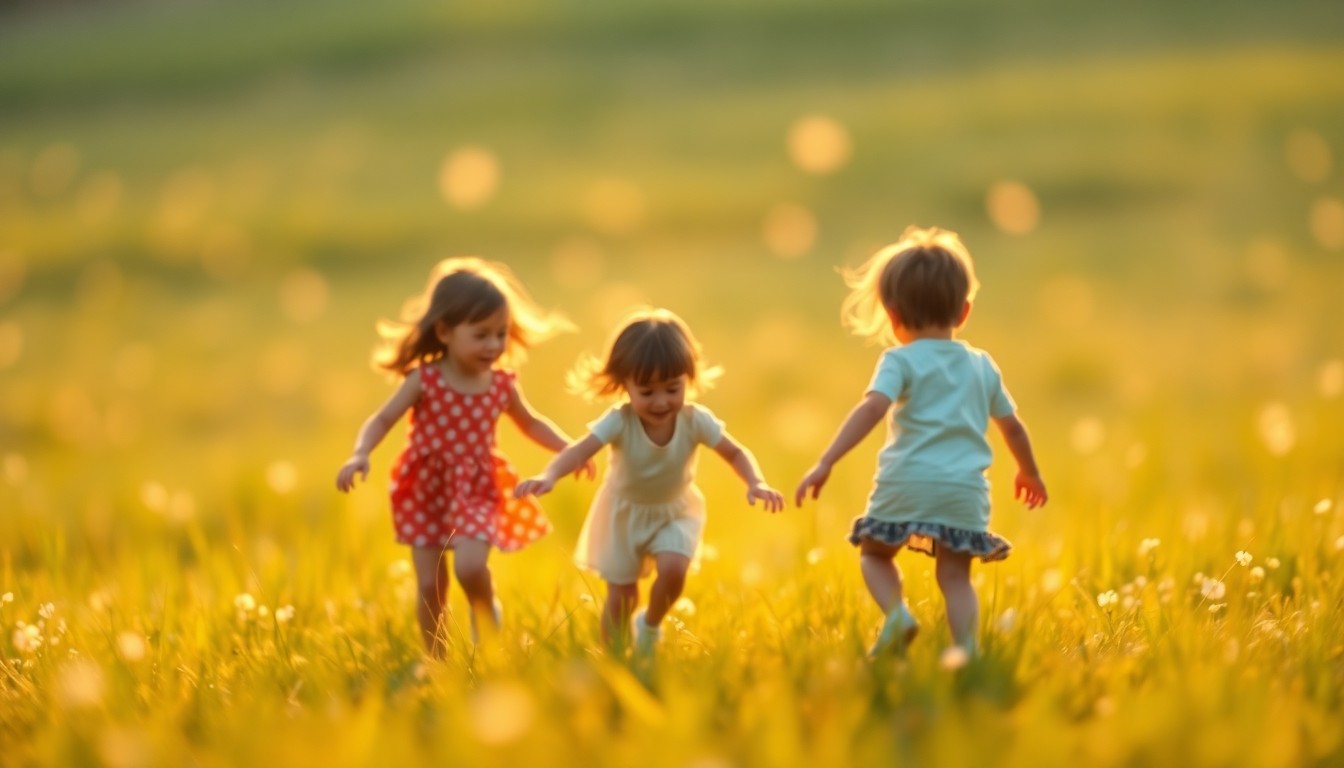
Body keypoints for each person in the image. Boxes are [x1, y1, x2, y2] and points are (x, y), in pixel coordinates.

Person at [794, 226, 1047, 658]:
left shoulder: (899, 360)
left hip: (905, 482)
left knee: (874, 554)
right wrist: (1029, 471)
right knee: (955, 577)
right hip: (964, 491)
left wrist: (826, 460)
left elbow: (871, 410)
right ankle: (966, 650)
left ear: (892, 315)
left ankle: (896, 615)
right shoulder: (982, 365)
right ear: (963, 312)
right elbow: (1013, 427)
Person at [335, 257, 593, 656]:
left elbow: (531, 424)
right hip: (426, 488)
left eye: (501, 334)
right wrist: (359, 454)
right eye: (481, 335)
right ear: (444, 331)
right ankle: (435, 659)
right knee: (429, 585)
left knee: (470, 567)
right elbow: (383, 418)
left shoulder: (501, 384)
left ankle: (486, 614)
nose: (494, 345)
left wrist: (571, 450)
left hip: (477, 486)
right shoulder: (425, 379)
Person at [515, 308, 784, 660]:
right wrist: (549, 474)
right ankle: (614, 657)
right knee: (622, 595)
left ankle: (651, 625)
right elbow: (580, 450)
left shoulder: (695, 420)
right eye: (647, 391)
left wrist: (755, 482)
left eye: (673, 389)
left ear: (688, 379)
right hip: (622, 514)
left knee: (674, 569)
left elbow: (735, 452)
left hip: (676, 510)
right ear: (623, 384)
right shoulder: (619, 422)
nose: (661, 402)